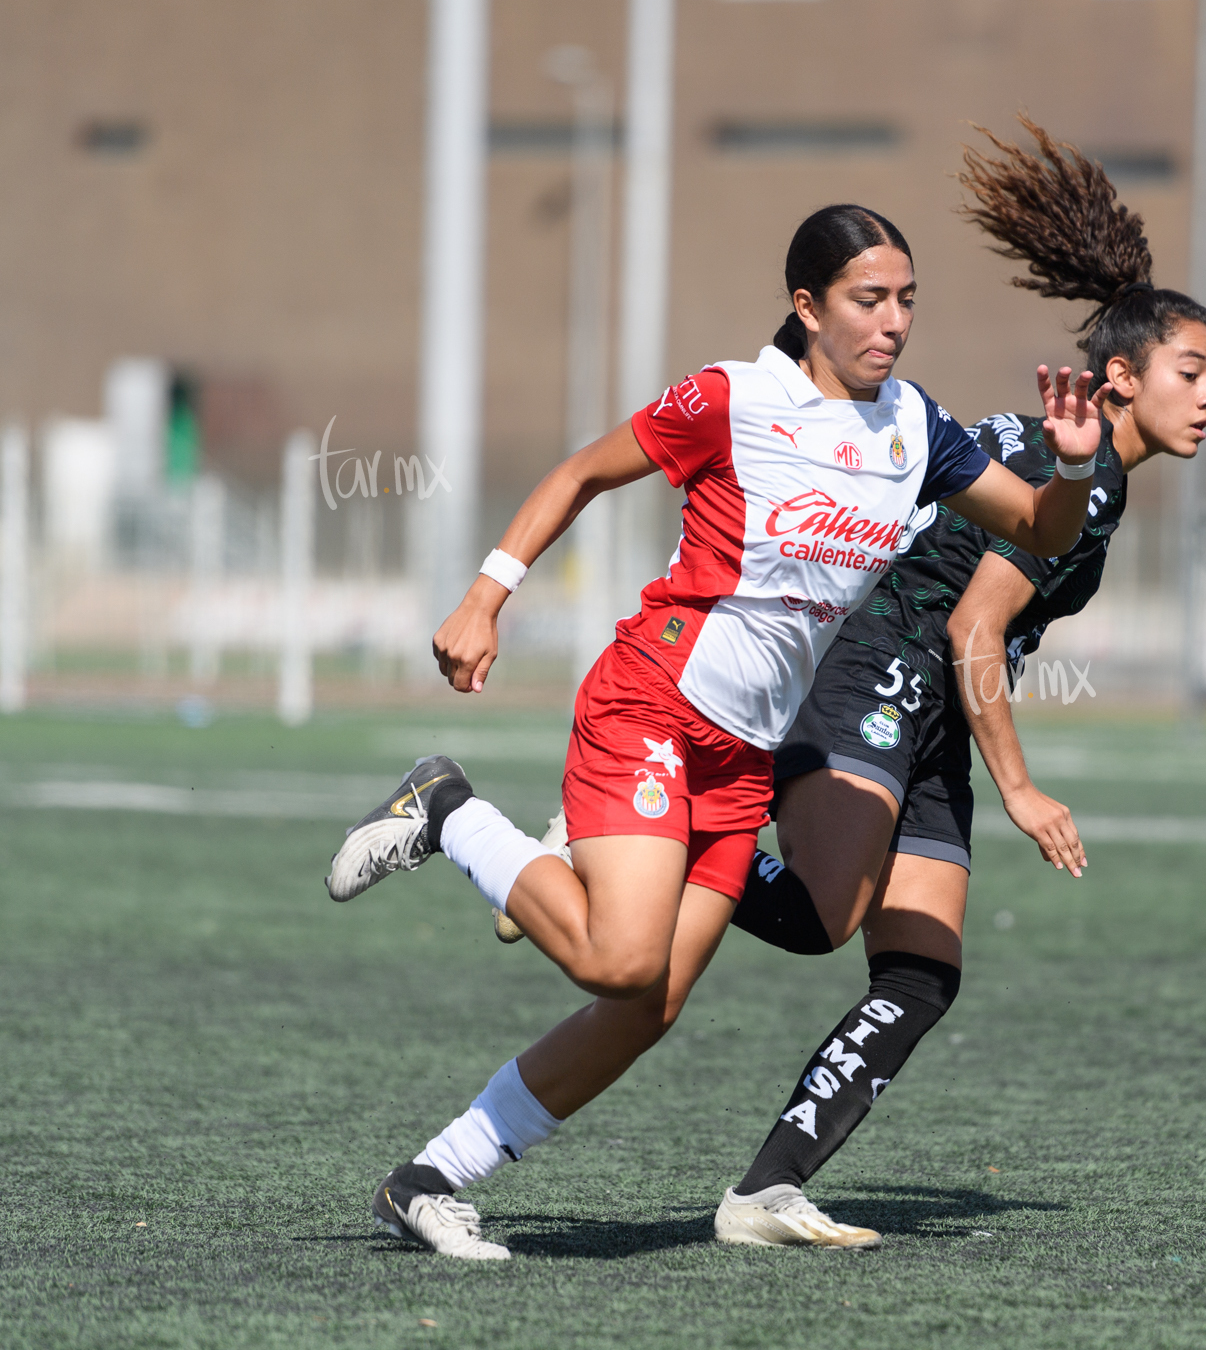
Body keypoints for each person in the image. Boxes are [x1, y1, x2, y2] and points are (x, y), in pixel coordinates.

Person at [321, 203, 1109, 1259]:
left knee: (649, 1005)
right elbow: (579, 474)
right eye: (867, 300)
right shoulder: (733, 397)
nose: (892, 323)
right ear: (806, 306)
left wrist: (1065, 467)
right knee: (619, 961)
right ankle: (447, 810)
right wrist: (484, 596)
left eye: (906, 300)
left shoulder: (915, 426)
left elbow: (1036, 529)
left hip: (740, 755)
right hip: (652, 698)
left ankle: (429, 1178)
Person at [703, 120, 1206, 1247]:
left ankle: (764, 1193)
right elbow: (975, 630)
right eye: (1191, 373)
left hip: (929, 712)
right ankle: (632, 839)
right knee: (817, 919)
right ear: (1121, 378)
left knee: (920, 974)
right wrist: (1025, 790)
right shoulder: (1061, 468)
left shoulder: (1081, 467)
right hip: (882, 668)